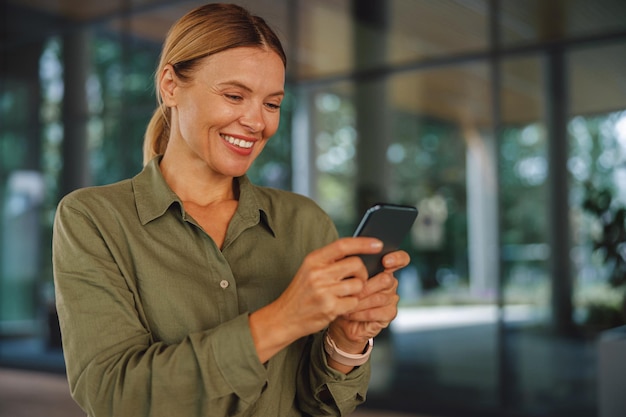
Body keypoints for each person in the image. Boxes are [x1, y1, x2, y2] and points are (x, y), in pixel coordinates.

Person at [52, 3, 409, 416]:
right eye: (235, 95)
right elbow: (114, 395)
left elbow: (323, 408)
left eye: (272, 104)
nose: (257, 122)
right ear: (170, 85)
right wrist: (283, 319)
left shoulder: (305, 222)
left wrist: (344, 341)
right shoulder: (94, 219)